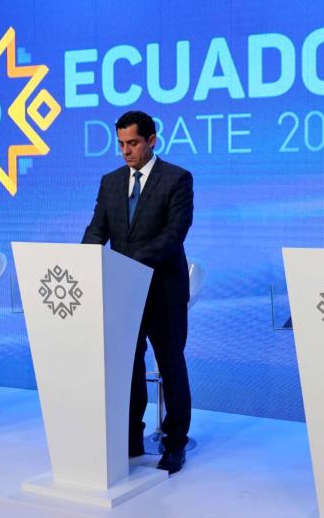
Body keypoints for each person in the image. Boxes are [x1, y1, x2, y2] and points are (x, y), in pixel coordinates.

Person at [82, 110, 194, 474]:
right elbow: (97, 229)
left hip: (164, 289)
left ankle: (174, 442)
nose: (126, 151)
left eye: (133, 143)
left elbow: (172, 236)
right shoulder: (110, 182)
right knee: (128, 367)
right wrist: (84, 260)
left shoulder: (177, 179)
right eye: (121, 145)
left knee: (170, 365)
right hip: (122, 291)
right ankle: (131, 437)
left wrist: (124, 261)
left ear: (151, 141)